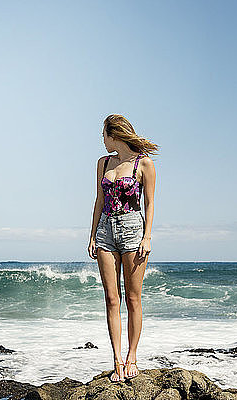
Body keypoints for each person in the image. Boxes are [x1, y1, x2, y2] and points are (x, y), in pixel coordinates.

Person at [87, 114, 158, 383]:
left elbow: (150, 204)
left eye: (103, 135)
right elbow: (99, 199)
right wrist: (93, 235)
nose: (102, 140)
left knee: (133, 298)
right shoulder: (103, 163)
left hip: (132, 230)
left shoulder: (144, 164)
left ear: (114, 134)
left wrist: (147, 237)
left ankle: (132, 357)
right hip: (105, 230)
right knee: (111, 299)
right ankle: (117, 358)